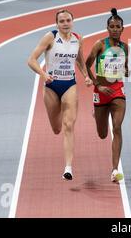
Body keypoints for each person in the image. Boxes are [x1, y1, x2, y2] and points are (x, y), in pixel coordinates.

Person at [28, 10, 93, 180]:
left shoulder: (78, 38)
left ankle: (68, 167)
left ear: (73, 21)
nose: (65, 23)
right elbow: (31, 60)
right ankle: (67, 163)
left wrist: (86, 75)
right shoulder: (50, 37)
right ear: (57, 23)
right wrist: (44, 75)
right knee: (57, 128)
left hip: (69, 84)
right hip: (51, 86)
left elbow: (79, 60)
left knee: (68, 125)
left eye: (68, 20)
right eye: (62, 21)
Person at [85, 8, 129, 182]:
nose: (115, 29)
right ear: (107, 28)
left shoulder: (125, 47)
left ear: (122, 28)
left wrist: (126, 70)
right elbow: (86, 66)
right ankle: (96, 114)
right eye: (112, 26)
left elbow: (124, 67)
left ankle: (114, 170)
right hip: (100, 92)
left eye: (118, 26)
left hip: (118, 90)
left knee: (117, 127)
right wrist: (97, 85)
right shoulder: (100, 45)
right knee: (102, 134)